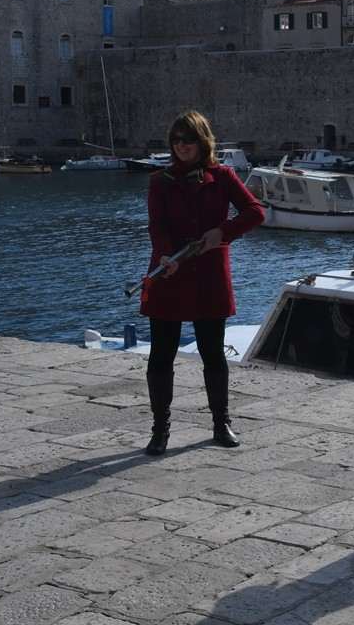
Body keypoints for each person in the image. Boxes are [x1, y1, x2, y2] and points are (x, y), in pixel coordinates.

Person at [139, 111, 264, 455]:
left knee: (213, 354)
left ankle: (221, 423)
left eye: (188, 140)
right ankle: (160, 429)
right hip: (168, 273)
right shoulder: (159, 181)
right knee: (160, 355)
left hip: (209, 276)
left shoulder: (222, 176)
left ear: (202, 141)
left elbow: (255, 212)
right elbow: (157, 226)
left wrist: (222, 233)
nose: (181, 146)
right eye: (176, 140)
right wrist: (166, 255)